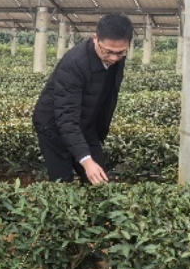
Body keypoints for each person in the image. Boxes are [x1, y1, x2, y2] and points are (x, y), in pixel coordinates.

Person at [32, 13, 134, 184]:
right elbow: (66, 117)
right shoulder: (74, 64)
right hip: (53, 126)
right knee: (62, 182)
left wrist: (91, 150)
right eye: (108, 51)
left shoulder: (117, 59)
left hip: (85, 125)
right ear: (95, 38)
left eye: (121, 52)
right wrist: (86, 160)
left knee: (99, 182)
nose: (114, 58)